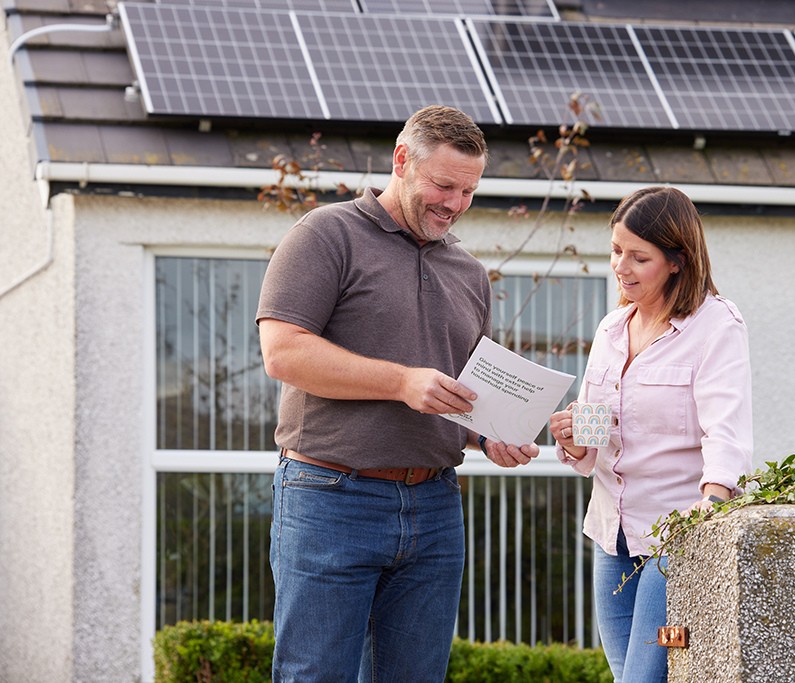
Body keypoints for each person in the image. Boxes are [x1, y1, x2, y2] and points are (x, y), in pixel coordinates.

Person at [256, 105, 540, 683]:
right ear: (402, 160)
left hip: (435, 505)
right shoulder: (325, 234)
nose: (455, 204)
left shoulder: (468, 272)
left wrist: (490, 434)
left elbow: (465, 392)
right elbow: (282, 352)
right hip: (330, 497)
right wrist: (401, 381)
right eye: (443, 185)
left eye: (468, 191)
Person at [548, 186, 753, 683]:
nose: (621, 267)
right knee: (627, 677)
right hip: (609, 537)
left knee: (647, 677)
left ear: (677, 261)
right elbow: (596, 434)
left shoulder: (716, 326)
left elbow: (726, 427)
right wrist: (573, 437)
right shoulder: (612, 328)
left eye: (639, 257)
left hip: (673, 543)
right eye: (617, 250)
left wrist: (714, 499)